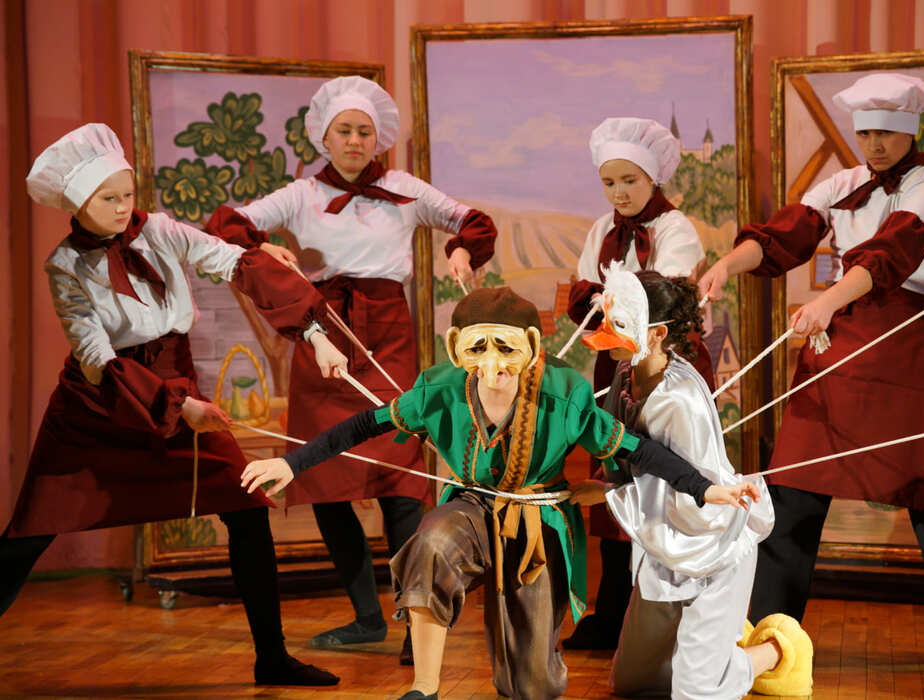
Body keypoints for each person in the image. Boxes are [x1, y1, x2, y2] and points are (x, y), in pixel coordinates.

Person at [240, 286, 757, 700]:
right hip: (471, 507)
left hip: (538, 523)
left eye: (506, 347)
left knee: (532, 686)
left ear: (532, 346)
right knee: (432, 543)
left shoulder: (564, 394)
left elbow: (638, 450)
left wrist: (706, 488)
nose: (493, 363)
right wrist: (291, 463)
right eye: (477, 348)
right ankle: (424, 686)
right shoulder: (439, 389)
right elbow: (361, 427)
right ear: (456, 348)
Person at [1, 123, 347, 686]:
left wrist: (313, 333)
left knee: (247, 507)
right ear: (78, 204)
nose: (123, 208)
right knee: (31, 531)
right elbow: (96, 358)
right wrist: (179, 406)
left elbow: (234, 262)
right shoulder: (65, 266)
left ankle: (272, 657)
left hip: (176, 383)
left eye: (127, 194)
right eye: (108, 199)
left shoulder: (160, 230)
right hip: (101, 403)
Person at [698, 73, 924, 671]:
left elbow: (887, 256)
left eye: (886, 133)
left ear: (910, 132)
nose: (875, 145)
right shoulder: (843, 183)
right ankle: (769, 641)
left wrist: (827, 300)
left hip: (901, 350)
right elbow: (786, 235)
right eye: (865, 133)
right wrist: (726, 266)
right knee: (793, 489)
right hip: (836, 348)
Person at [205, 76, 497, 654]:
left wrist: (462, 247)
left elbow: (471, 220)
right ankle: (366, 616)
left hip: (387, 334)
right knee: (325, 480)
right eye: (344, 130)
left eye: (365, 131)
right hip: (323, 334)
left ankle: (418, 620)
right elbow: (226, 224)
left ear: (378, 137)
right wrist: (260, 247)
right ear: (324, 136)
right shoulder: (301, 194)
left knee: (400, 480)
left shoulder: (403, 188)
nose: (355, 140)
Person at [572, 262, 810, 698]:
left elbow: (691, 500)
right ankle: (715, 645)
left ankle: (775, 650)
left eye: (618, 323)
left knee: (696, 692)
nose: (607, 332)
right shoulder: (627, 374)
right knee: (634, 682)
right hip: (666, 548)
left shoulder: (678, 400)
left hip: (709, 549)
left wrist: (608, 495)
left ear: (657, 334)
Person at [564, 117, 713, 649]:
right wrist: (600, 301)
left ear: (653, 178)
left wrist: (613, 298)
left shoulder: (675, 229)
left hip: (660, 364)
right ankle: (611, 612)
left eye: (630, 180)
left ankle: (665, 612)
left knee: (662, 476)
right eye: (610, 182)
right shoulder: (600, 231)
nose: (620, 192)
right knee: (614, 471)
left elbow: (661, 300)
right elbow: (584, 292)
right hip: (615, 363)